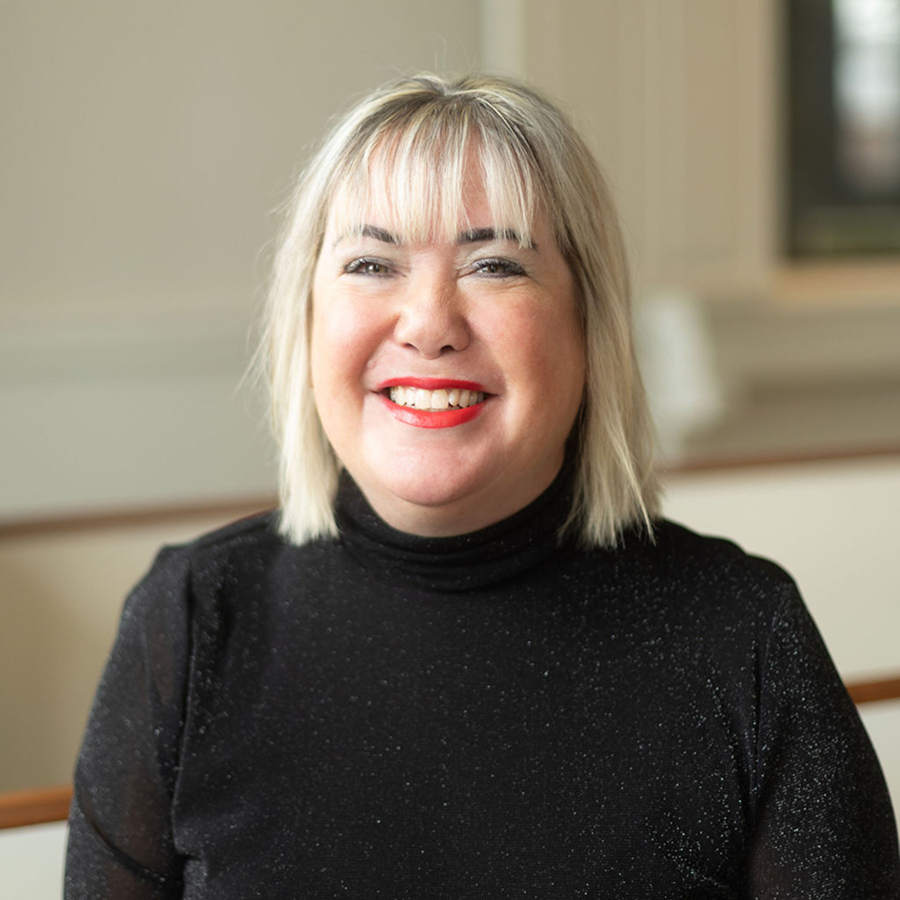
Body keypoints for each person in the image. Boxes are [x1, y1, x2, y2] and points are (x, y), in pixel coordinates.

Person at [65, 73, 899, 898]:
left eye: (496, 265)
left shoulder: (747, 634)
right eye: (371, 262)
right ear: (307, 317)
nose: (429, 325)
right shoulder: (192, 618)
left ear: (589, 324)